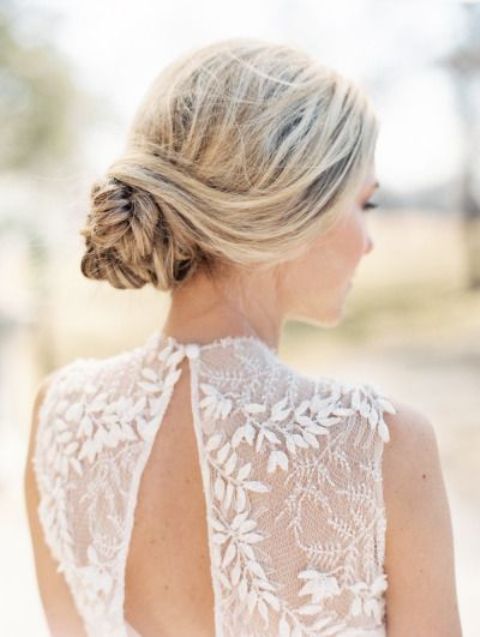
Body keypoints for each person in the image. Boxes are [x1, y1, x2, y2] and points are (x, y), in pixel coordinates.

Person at [24, 38, 462, 636]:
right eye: (367, 203)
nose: (369, 241)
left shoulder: (59, 417)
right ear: (294, 206)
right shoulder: (383, 445)